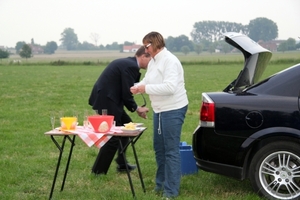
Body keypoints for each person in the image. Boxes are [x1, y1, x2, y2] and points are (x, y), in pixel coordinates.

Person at [130, 31, 188, 199]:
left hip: (173, 109)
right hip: (159, 110)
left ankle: (171, 191)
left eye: (146, 45)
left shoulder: (170, 61)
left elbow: (170, 87)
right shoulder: (154, 61)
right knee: (159, 149)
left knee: (171, 150)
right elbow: (148, 80)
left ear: (155, 44)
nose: (144, 49)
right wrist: (136, 86)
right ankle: (160, 185)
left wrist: (144, 89)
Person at [88, 46, 150, 175]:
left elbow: (124, 91)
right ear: (144, 56)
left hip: (110, 100)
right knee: (112, 137)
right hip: (108, 101)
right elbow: (127, 93)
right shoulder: (131, 66)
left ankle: (122, 163)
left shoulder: (128, 63)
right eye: (151, 59)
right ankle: (98, 171)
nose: (152, 63)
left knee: (127, 128)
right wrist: (137, 108)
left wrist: (135, 107)